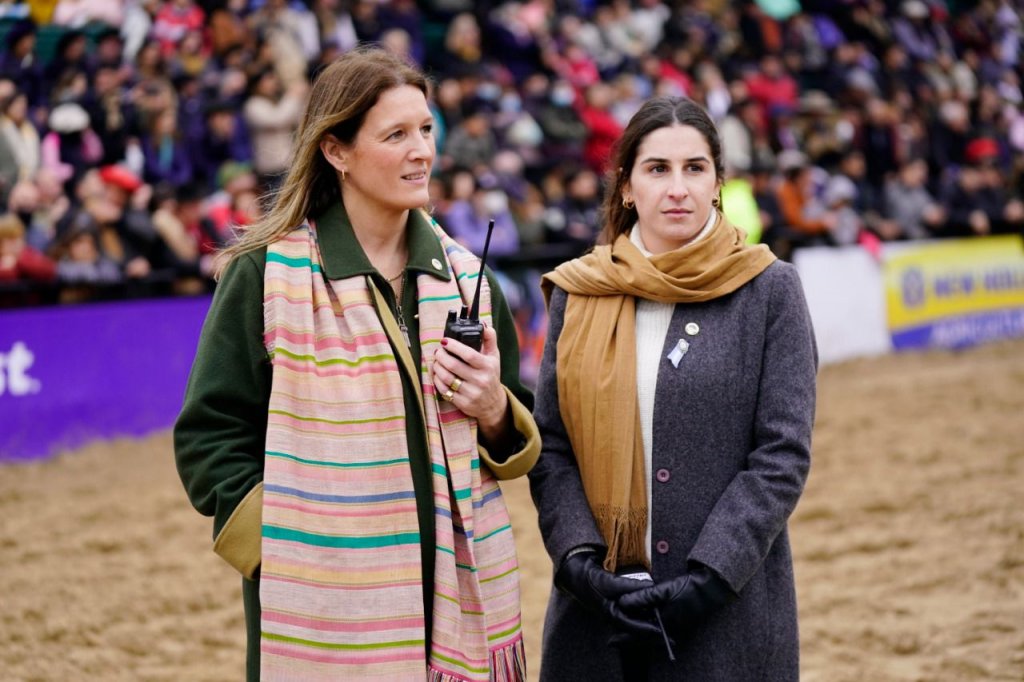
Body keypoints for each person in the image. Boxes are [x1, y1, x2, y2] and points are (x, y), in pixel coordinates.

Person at [173, 48, 539, 681]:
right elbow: (211, 435)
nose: (422, 150)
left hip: (454, 591)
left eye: (426, 129)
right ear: (336, 150)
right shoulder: (264, 276)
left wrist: (496, 410)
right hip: (317, 604)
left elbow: (511, 432)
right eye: (395, 134)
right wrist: (282, 550)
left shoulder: (472, 281)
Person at [528, 96, 817, 681]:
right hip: (597, 621)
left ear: (717, 182)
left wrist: (709, 580)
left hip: (726, 617)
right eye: (657, 169)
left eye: (695, 168)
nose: (677, 188)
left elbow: (781, 455)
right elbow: (551, 446)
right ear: (627, 187)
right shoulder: (579, 291)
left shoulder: (771, 290)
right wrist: (580, 562)